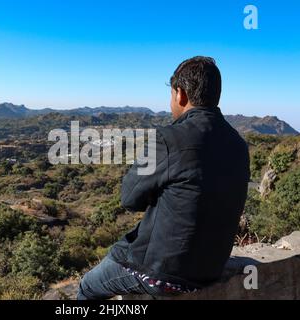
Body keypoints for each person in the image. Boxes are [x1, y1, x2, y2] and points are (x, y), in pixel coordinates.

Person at [77, 56, 250, 300]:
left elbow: (129, 199)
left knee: (87, 287)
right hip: (210, 269)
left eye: (171, 95)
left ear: (180, 94)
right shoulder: (238, 144)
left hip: (162, 273)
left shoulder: (167, 139)